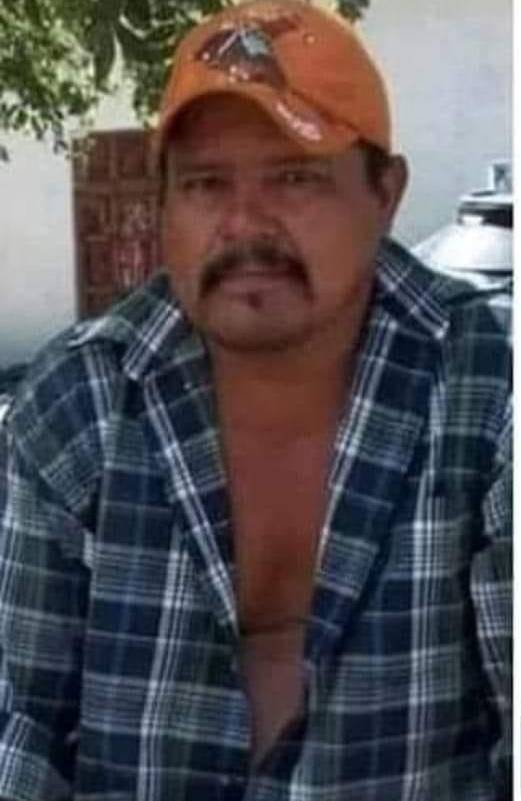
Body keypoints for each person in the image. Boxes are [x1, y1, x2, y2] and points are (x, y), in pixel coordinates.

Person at [0, 1, 511, 799]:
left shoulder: (487, 386)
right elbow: (15, 720)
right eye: (205, 184)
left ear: (385, 192)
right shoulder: (82, 403)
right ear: (163, 205)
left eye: (294, 176)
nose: (243, 223)